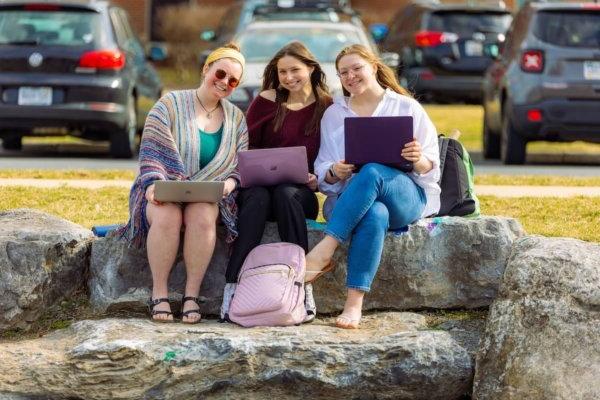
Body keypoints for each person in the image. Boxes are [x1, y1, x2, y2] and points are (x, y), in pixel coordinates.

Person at [306, 44, 441, 329]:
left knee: (372, 171)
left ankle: (324, 250)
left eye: (357, 68)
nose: (350, 76)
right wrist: (334, 171)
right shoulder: (334, 114)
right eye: (343, 72)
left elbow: (431, 170)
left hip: (405, 198)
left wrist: (418, 160)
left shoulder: (406, 107)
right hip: (353, 200)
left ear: (374, 68)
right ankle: (354, 306)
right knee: (374, 213)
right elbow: (322, 174)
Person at [119, 43, 248, 324]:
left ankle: (191, 295)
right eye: (221, 73)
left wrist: (229, 184)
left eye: (233, 80)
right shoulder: (170, 104)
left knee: (202, 216)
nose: (225, 82)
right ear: (206, 69)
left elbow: (241, 165)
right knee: (167, 215)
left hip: (209, 195)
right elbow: (152, 151)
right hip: (162, 186)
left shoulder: (237, 118)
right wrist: (154, 184)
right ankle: (160, 294)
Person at [220, 41, 332, 321]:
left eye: (295, 70)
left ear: (311, 68)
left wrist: (315, 177)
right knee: (258, 197)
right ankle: (231, 287)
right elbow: (246, 147)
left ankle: (302, 286)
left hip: (297, 195)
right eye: (282, 72)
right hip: (257, 188)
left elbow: (331, 154)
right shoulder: (267, 101)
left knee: (285, 193)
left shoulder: (327, 106)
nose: (288, 77)